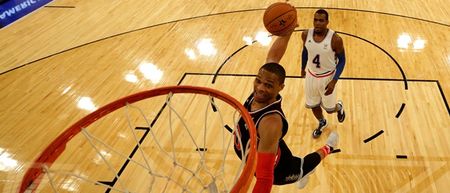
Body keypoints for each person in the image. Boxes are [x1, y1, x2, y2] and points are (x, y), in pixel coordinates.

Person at [233, 23, 339, 193]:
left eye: (268, 85)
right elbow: (272, 59)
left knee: (305, 166)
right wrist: (287, 33)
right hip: (256, 153)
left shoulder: (270, 122)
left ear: (280, 87)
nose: (260, 88)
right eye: (258, 80)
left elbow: (265, 178)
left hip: (280, 170)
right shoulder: (260, 91)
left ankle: (328, 147)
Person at [300, 9, 346, 138]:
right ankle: (322, 122)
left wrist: (334, 81)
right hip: (311, 75)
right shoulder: (305, 34)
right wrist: (302, 67)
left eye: (321, 20)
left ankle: (339, 107)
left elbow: (342, 61)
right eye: (315, 20)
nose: (318, 23)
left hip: (328, 77)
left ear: (327, 22)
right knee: (313, 105)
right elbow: (305, 51)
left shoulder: (335, 39)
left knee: (330, 109)